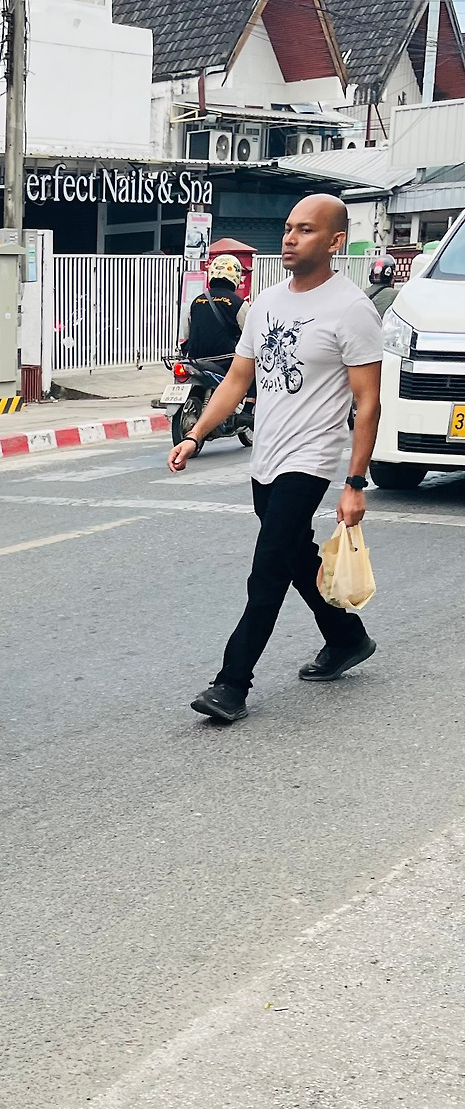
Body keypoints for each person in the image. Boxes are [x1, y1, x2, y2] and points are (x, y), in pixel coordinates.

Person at [169, 193, 383, 724]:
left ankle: (231, 684)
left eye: (305, 230)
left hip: (310, 459)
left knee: (266, 571)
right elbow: (238, 379)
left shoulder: (351, 309)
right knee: (294, 556)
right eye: (288, 228)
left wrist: (354, 483)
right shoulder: (265, 303)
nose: (290, 238)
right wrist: (195, 435)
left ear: (335, 242)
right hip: (266, 455)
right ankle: (346, 637)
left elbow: (368, 402)